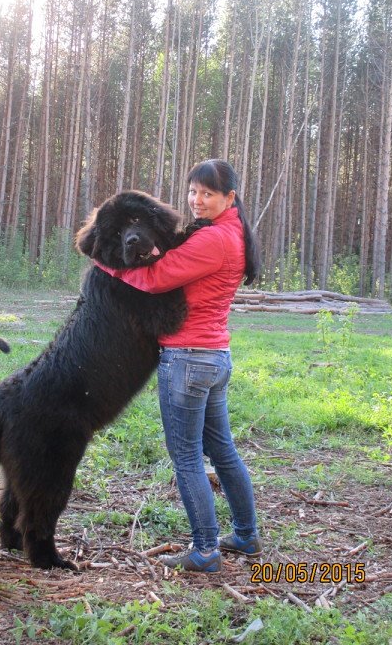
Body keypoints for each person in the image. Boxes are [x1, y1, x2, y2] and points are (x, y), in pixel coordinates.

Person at [96, 159, 262, 572]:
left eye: (208, 194)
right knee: (222, 450)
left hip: (188, 359)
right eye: (193, 191)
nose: (197, 200)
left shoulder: (214, 240)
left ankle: (205, 550)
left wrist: (106, 262)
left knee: (187, 457)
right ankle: (246, 534)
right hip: (214, 356)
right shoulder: (230, 232)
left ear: (230, 198)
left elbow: (155, 278)